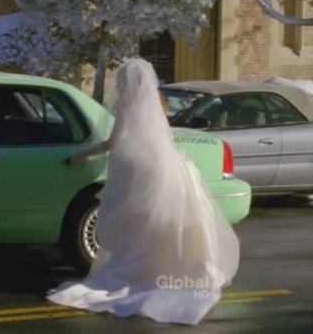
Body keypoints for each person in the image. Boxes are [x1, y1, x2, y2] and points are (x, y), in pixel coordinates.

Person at [49, 58, 239, 325]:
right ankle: (164, 272)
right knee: (158, 225)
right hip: (163, 168)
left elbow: (113, 142)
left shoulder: (128, 106)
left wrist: (83, 154)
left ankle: (143, 273)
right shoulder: (157, 106)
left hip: (136, 171)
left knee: (137, 225)